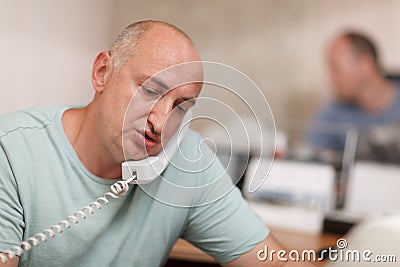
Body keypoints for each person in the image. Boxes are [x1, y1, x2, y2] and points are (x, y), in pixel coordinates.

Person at [0, 20, 314, 266]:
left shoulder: (188, 160)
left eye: (180, 106)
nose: (160, 123)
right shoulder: (12, 153)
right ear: (102, 72)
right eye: (150, 90)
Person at [308, 32, 400, 153]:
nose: (331, 79)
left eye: (336, 69)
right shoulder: (333, 112)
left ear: (365, 64)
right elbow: (308, 156)